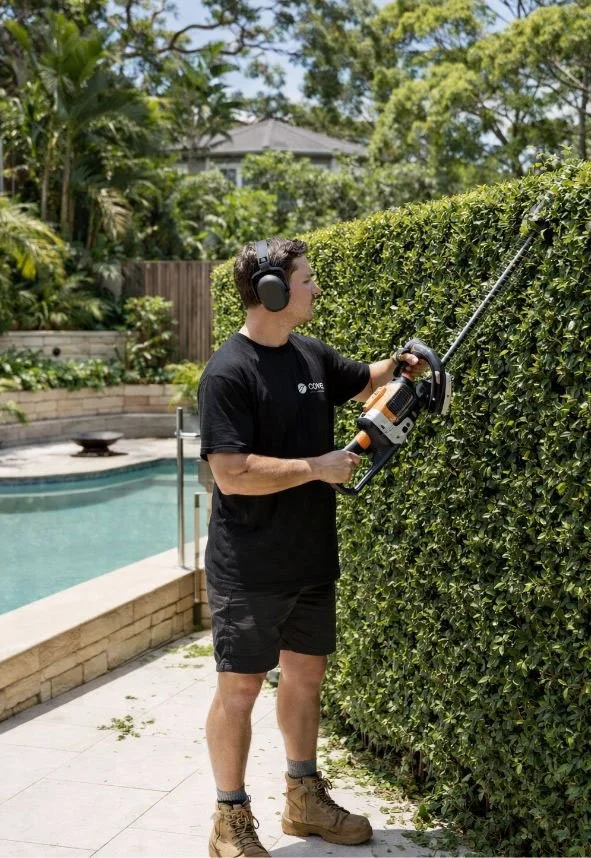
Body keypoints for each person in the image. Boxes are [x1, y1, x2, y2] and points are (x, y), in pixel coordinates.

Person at [198, 237, 425, 857]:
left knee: (305, 677)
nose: (316, 288)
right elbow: (231, 472)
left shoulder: (310, 356)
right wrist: (317, 466)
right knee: (239, 691)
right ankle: (229, 819)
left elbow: (367, 380)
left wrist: (404, 367)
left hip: (310, 556)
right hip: (248, 564)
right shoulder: (228, 372)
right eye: (306, 279)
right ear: (271, 290)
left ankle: (303, 799)